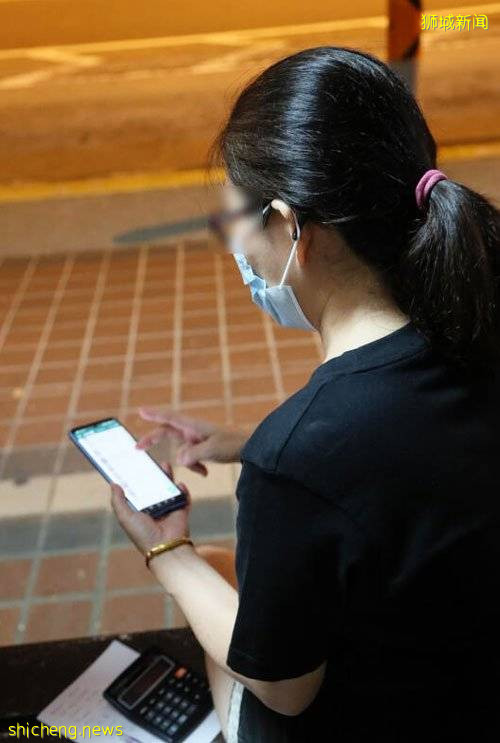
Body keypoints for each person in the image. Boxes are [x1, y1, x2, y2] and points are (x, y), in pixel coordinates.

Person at [110, 46, 500, 742]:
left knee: (216, 583)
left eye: (234, 221)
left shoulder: (298, 457)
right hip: (468, 676)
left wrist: (167, 552)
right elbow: (401, 449)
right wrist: (245, 443)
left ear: (290, 227)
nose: (237, 246)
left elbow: (286, 690)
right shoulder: (475, 327)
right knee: (233, 569)